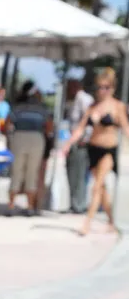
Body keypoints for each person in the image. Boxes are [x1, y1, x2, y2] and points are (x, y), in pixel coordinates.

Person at [63, 67, 129, 235]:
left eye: (106, 87)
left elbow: (126, 128)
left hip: (109, 150)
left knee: (96, 186)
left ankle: (87, 223)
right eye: (100, 87)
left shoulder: (118, 106)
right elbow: (80, 128)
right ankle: (111, 221)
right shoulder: (92, 106)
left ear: (112, 88)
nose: (102, 91)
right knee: (102, 189)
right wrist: (68, 144)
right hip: (93, 149)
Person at [7, 81, 53, 215]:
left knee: (16, 171)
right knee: (32, 173)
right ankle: (30, 207)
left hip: (19, 138)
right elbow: (49, 127)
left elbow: (7, 124)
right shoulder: (41, 109)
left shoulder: (18, 108)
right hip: (36, 139)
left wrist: (9, 139)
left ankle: (11, 205)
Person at [64, 79, 94, 214]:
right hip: (74, 142)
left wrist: (85, 139)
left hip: (81, 143)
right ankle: (74, 203)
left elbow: (89, 121)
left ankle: (79, 205)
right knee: (72, 173)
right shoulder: (74, 100)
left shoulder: (84, 99)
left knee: (80, 175)